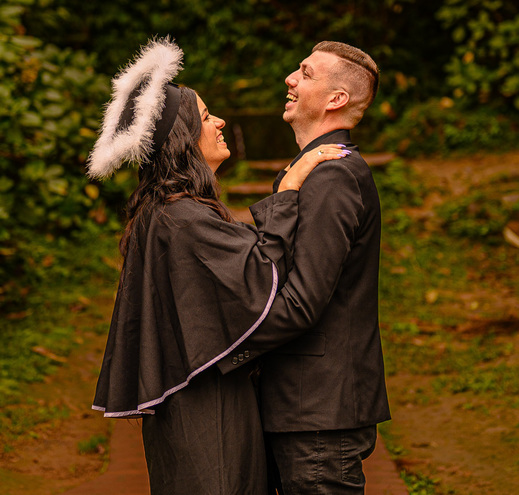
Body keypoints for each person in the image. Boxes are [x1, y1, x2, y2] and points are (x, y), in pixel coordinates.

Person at [86, 38, 349, 495]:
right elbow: (259, 280)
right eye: (207, 117)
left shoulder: (166, 212)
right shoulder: (182, 218)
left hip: (195, 407)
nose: (220, 121)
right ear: (183, 138)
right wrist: (287, 192)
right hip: (208, 412)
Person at [215, 40, 390, 495]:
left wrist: (221, 352)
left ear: (336, 100)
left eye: (306, 74)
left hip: (317, 411)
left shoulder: (333, 175)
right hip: (302, 405)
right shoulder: (311, 170)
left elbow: (300, 302)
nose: (290, 79)